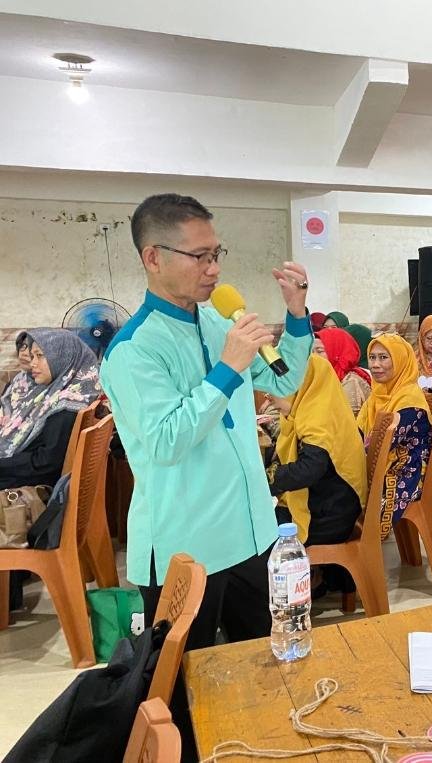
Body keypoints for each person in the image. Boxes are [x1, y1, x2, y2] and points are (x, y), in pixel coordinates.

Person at [101, 193, 312, 650]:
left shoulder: (219, 322)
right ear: (153, 258)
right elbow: (167, 441)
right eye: (199, 256)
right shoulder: (133, 350)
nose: (214, 269)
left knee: (262, 661)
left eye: (216, 254)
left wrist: (296, 316)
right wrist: (226, 368)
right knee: (184, 677)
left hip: (251, 531)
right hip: (185, 546)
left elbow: (284, 379)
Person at [266, 355, 366, 547]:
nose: (268, 394)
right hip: (324, 504)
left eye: (277, 385)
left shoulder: (319, 419)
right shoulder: (313, 410)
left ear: (301, 384)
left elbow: (309, 469)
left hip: (330, 517)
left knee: (254, 533)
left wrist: (265, 480)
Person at [0, 329, 101, 490]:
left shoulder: (66, 406)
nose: (33, 363)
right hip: (23, 475)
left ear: (63, 358)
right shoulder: (53, 395)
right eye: (33, 356)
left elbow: (45, 463)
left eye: (40, 356)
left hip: (32, 486)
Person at [356, 333, 432, 538]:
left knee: (341, 495)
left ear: (400, 360)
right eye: (372, 357)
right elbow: (359, 435)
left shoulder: (409, 399)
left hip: (405, 472)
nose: (375, 364)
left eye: (383, 357)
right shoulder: (378, 395)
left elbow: (381, 445)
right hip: (381, 464)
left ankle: (359, 550)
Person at [314, 327, 371, 415]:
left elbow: (344, 419)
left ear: (336, 352)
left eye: (320, 351)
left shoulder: (351, 382)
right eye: (311, 351)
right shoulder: (320, 377)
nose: (314, 356)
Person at [1, 332, 34, 416]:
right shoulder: (16, 381)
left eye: (30, 347)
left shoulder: (53, 388)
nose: (23, 353)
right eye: (21, 347)